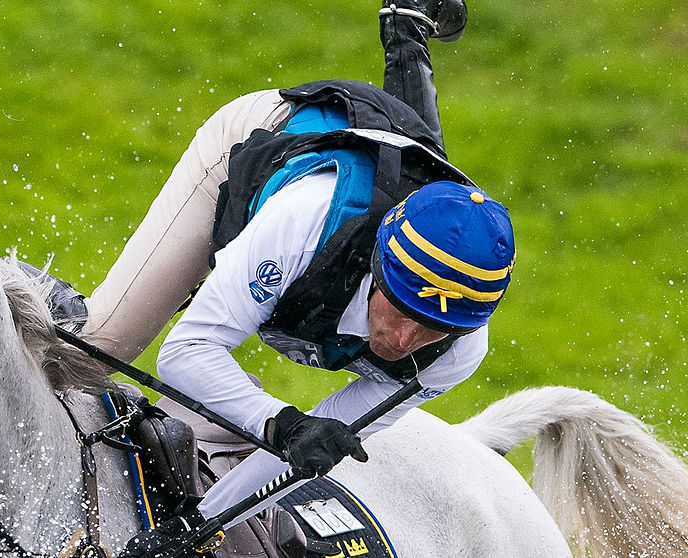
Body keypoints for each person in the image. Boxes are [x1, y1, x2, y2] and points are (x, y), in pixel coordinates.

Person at [42, 1, 516, 556]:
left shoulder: (456, 353)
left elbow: (308, 447)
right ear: (377, 269)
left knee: (423, 152)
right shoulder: (306, 224)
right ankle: (18, 299)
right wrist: (280, 423)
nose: (403, 342)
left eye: (433, 329)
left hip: (401, 164)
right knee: (92, 353)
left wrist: (189, 529)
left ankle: (406, 30)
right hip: (258, 143)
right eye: (400, 309)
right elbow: (186, 352)